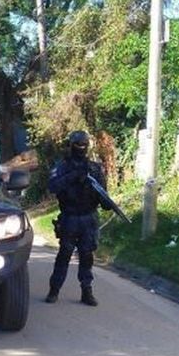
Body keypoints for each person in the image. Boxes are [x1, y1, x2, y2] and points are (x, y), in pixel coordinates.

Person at [45, 130, 107, 307]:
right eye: (78, 144)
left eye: (84, 144)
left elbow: (103, 194)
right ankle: (54, 290)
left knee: (87, 255)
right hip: (70, 217)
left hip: (88, 218)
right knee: (64, 254)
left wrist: (105, 202)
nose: (81, 147)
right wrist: (73, 176)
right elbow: (53, 186)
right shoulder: (62, 166)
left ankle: (86, 291)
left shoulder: (94, 169)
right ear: (71, 145)